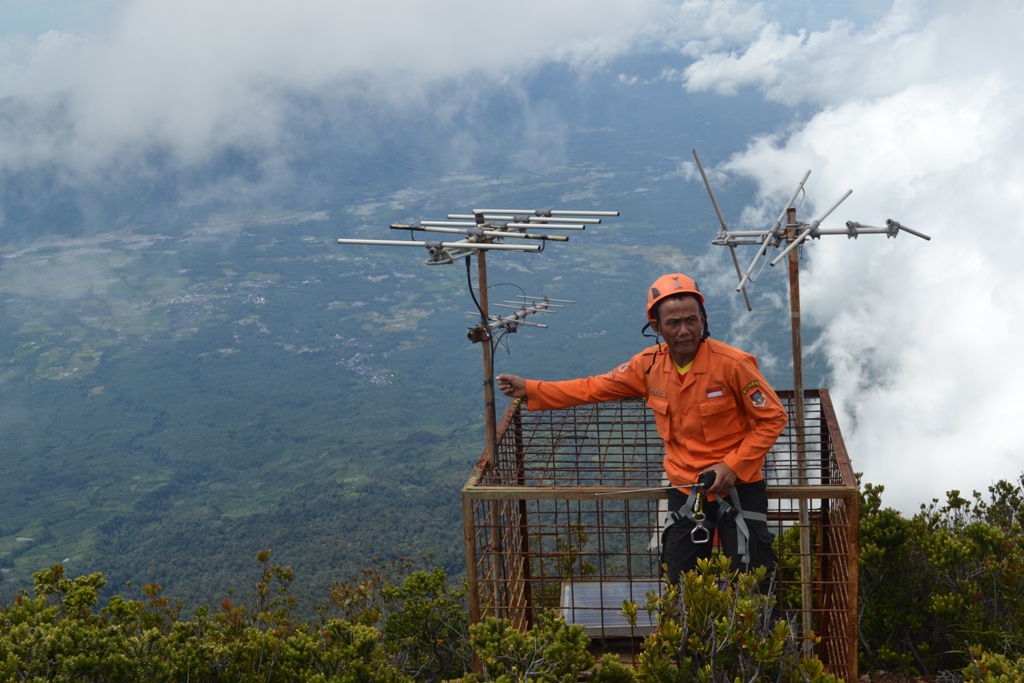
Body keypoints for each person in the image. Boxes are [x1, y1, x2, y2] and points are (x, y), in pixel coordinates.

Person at [496, 273, 787, 587]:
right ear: (657, 326)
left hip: (739, 486)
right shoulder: (647, 367)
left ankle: (761, 633)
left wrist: (733, 465)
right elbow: (593, 388)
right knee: (679, 584)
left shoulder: (733, 364)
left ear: (703, 319)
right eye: (673, 323)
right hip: (687, 487)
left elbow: (772, 418)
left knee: (754, 586)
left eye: (692, 320)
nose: (685, 330)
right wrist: (532, 389)